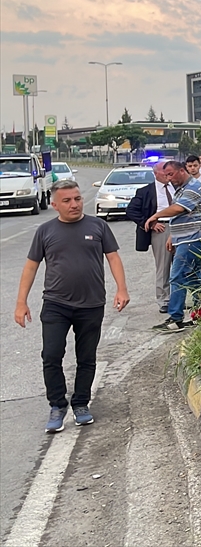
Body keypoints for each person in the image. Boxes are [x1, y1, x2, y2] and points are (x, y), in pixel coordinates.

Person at [14, 180, 130, 432]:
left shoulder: (98, 226)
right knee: (51, 355)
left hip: (91, 304)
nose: (74, 204)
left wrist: (121, 288)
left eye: (77, 198)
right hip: (56, 304)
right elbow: (31, 266)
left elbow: (113, 257)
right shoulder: (45, 231)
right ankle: (57, 404)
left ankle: (80, 403)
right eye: (67, 200)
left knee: (86, 358)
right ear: (54, 204)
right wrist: (21, 302)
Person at [143, 161, 201, 333]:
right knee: (195, 277)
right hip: (185, 238)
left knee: (177, 276)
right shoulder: (182, 188)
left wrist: (155, 216)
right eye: (166, 175)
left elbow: (178, 209)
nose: (168, 178)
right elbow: (183, 215)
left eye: (171, 174)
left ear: (182, 171)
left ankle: (175, 318)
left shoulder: (193, 187)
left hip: (192, 238)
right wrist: (173, 236)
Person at [126, 161, 175, 313]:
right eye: (164, 172)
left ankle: (181, 298)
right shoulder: (145, 191)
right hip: (161, 229)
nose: (168, 174)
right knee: (163, 266)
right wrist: (150, 224)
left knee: (183, 265)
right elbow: (131, 211)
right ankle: (164, 300)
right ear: (156, 173)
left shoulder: (178, 186)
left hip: (180, 227)